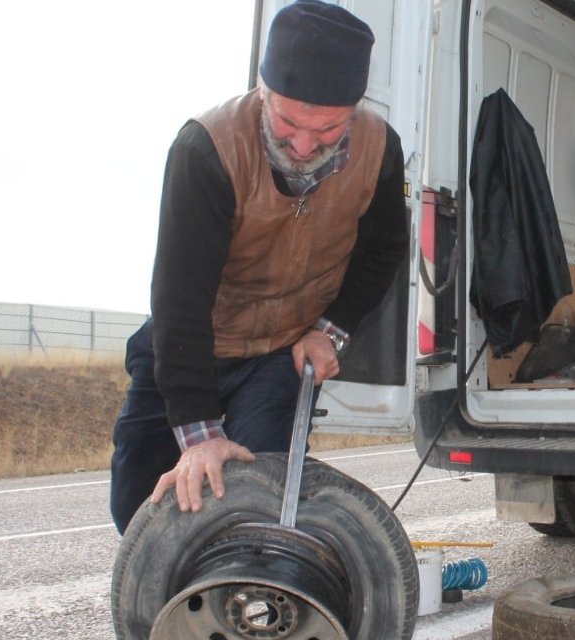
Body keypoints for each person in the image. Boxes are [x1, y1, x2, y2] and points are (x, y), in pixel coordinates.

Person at [109, 0, 408, 534]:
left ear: (356, 107)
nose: (302, 144)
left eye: (327, 129)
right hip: (194, 341)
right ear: (263, 89)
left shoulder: (379, 150)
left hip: (280, 351)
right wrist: (200, 439)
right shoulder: (206, 149)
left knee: (260, 493)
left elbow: (382, 251)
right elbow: (180, 297)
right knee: (140, 506)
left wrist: (328, 331)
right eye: (288, 121)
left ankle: (252, 595)